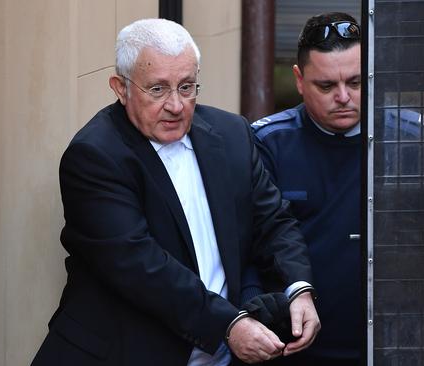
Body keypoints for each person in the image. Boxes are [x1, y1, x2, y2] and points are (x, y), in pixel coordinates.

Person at [32, 18, 320, 366]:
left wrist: (298, 289)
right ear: (120, 88)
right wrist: (228, 324)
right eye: (157, 89)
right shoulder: (95, 156)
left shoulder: (231, 135)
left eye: (187, 87)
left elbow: (273, 222)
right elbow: (141, 267)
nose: (175, 105)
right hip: (120, 353)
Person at [250, 12, 363, 366]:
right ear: (299, 80)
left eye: (356, 82)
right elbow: (249, 245)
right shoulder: (267, 144)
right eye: (326, 86)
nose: (343, 97)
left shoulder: (406, 137)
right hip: (295, 345)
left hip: (390, 341)